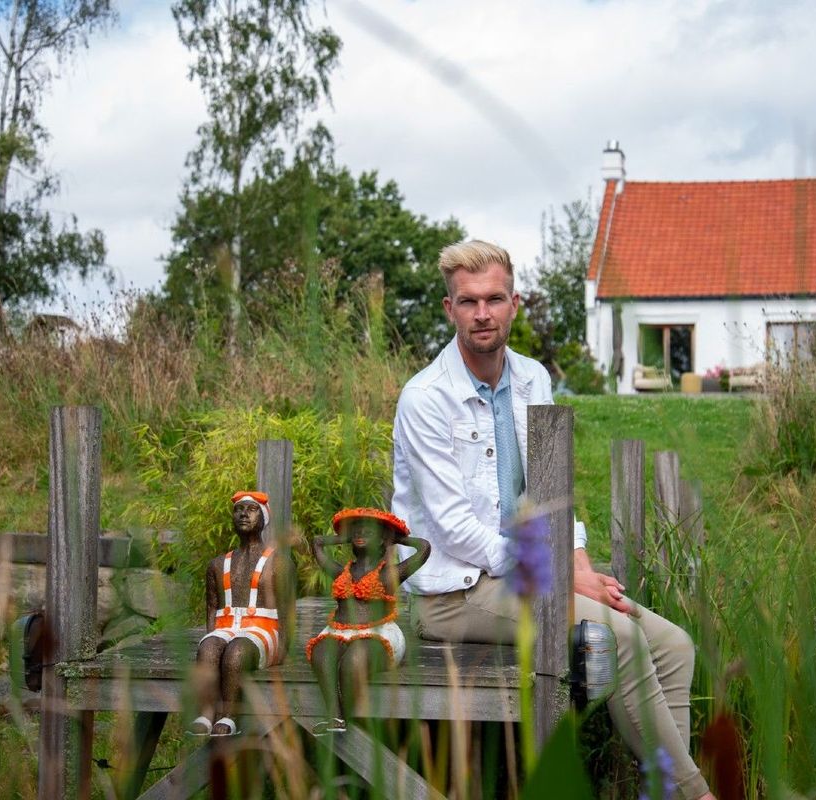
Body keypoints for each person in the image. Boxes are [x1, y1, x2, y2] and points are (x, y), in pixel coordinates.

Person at [391, 240, 714, 800]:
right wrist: (563, 579)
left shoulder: (533, 379)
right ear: (449, 310)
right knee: (624, 642)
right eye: (468, 302)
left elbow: (553, 495)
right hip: (457, 591)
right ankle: (696, 795)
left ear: (515, 303)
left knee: (675, 645)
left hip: (521, 580)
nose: (482, 313)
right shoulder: (425, 399)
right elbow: (453, 532)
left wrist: (578, 564)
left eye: (494, 298)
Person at [306, 507, 431, 734]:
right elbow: (316, 543)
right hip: (338, 631)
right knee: (321, 653)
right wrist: (342, 537)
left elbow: (424, 548)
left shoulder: (389, 573)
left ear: (384, 539)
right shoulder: (341, 572)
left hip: (378, 633)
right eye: (356, 530)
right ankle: (335, 716)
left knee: (354, 659)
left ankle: (347, 715)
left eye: (369, 531)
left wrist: (398, 538)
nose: (361, 533)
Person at [188, 491, 295, 737]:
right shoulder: (217, 564)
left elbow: (288, 612)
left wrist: (282, 650)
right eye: (238, 509)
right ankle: (206, 712)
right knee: (208, 647)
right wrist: (212, 637)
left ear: (264, 517)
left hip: (264, 630)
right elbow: (211, 608)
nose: (244, 514)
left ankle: (229, 714)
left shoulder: (279, 563)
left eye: (251, 509)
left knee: (236, 652)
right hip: (226, 627)